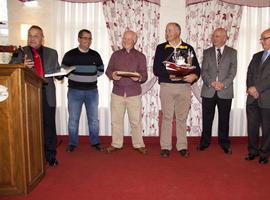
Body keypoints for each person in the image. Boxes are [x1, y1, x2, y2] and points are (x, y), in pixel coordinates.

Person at [10, 25, 60, 166]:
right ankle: (32, 157)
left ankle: (51, 156)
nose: (32, 38)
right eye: (30, 35)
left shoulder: (52, 53)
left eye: (36, 36)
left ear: (42, 39)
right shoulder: (20, 52)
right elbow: (11, 69)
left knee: (49, 126)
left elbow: (57, 70)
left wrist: (62, 75)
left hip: (47, 94)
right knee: (30, 127)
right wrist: (21, 65)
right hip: (28, 93)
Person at [153, 22, 200, 158]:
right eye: (166, 30)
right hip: (167, 87)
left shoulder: (188, 48)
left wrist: (194, 76)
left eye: (170, 30)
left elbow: (196, 68)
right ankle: (165, 147)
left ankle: (182, 146)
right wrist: (172, 74)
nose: (167, 33)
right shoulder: (161, 48)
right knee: (167, 117)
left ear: (178, 32)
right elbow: (156, 69)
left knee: (181, 118)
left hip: (184, 87)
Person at [105, 30, 148, 154]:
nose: (126, 41)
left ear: (134, 41)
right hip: (117, 92)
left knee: (135, 121)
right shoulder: (115, 55)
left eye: (129, 39)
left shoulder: (140, 56)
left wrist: (138, 77)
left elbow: (144, 75)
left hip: (134, 93)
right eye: (124, 38)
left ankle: (138, 144)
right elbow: (108, 71)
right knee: (116, 121)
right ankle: (116, 144)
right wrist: (112, 75)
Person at [62, 29, 104, 152]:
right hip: (74, 91)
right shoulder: (70, 54)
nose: (87, 40)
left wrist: (89, 77)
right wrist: (76, 77)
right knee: (73, 119)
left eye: (89, 38)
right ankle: (72, 143)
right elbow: (63, 70)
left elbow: (101, 70)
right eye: (84, 38)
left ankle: (95, 142)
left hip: (92, 91)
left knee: (93, 119)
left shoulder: (95, 55)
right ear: (79, 39)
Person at [198, 28, 237, 154]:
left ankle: (224, 143)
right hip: (209, 90)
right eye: (214, 36)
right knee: (207, 118)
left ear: (225, 38)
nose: (215, 38)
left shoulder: (232, 52)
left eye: (218, 36)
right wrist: (211, 83)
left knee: (224, 119)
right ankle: (205, 142)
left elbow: (233, 72)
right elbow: (203, 71)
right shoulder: (207, 52)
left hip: (225, 91)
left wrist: (223, 84)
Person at [245, 28, 270, 164]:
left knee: (267, 129)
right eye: (261, 39)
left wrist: (257, 88)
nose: (261, 41)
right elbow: (249, 74)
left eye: (264, 38)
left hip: (267, 99)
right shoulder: (256, 56)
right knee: (252, 127)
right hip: (252, 98)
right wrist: (250, 88)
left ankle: (264, 154)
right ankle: (252, 151)